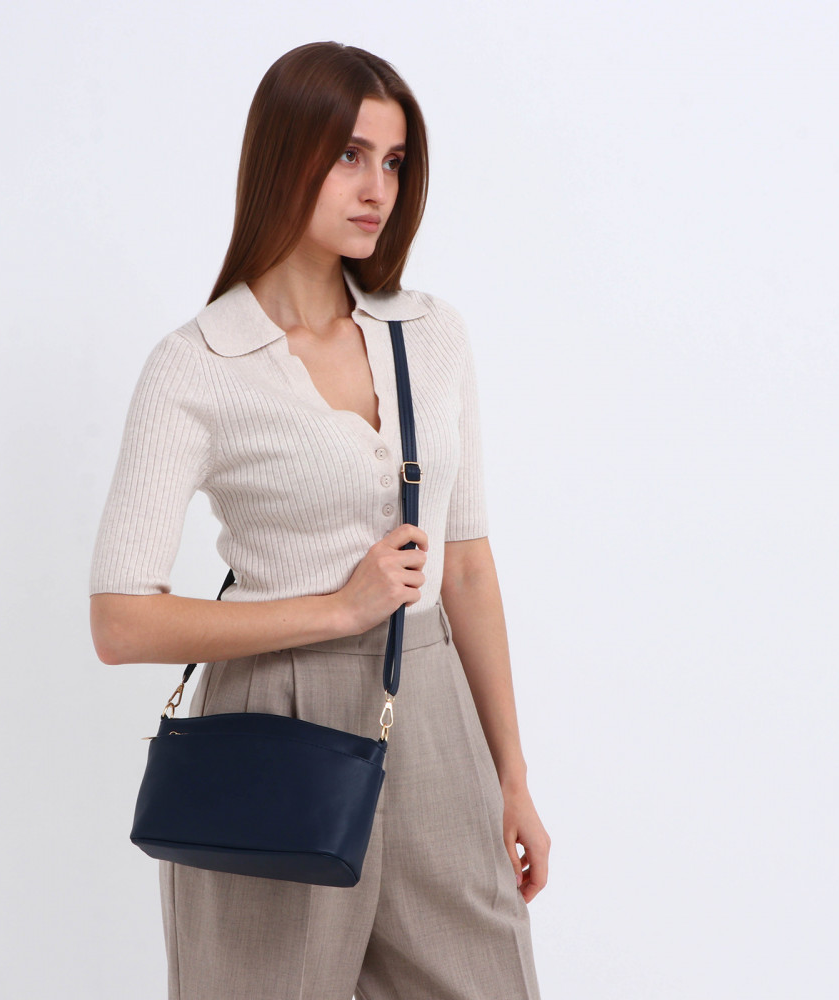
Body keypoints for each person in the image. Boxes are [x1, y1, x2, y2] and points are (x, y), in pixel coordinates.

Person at [89, 40, 549, 1000]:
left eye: (394, 161)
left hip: (435, 711)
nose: (377, 188)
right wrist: (338, 609)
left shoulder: (430, 333)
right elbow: (121, 621)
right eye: (348, 155)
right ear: (282, 155)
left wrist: (510, 773)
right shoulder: (198, 363)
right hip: (271, 720)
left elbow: (466, 565)